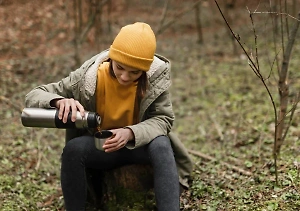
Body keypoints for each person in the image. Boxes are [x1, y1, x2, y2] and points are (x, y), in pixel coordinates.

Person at [25, 22, 193, 211]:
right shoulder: (88, 77)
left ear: (145, 70)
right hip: (102, 147)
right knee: (73, 150)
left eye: (134, 72)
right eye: (119, 67)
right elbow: (34, 95)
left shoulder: (155, 80)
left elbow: (163, 119)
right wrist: (57, 101)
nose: (124, 77)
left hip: (140, 146)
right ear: (111, 57)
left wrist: (130, 133)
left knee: (162, 144)